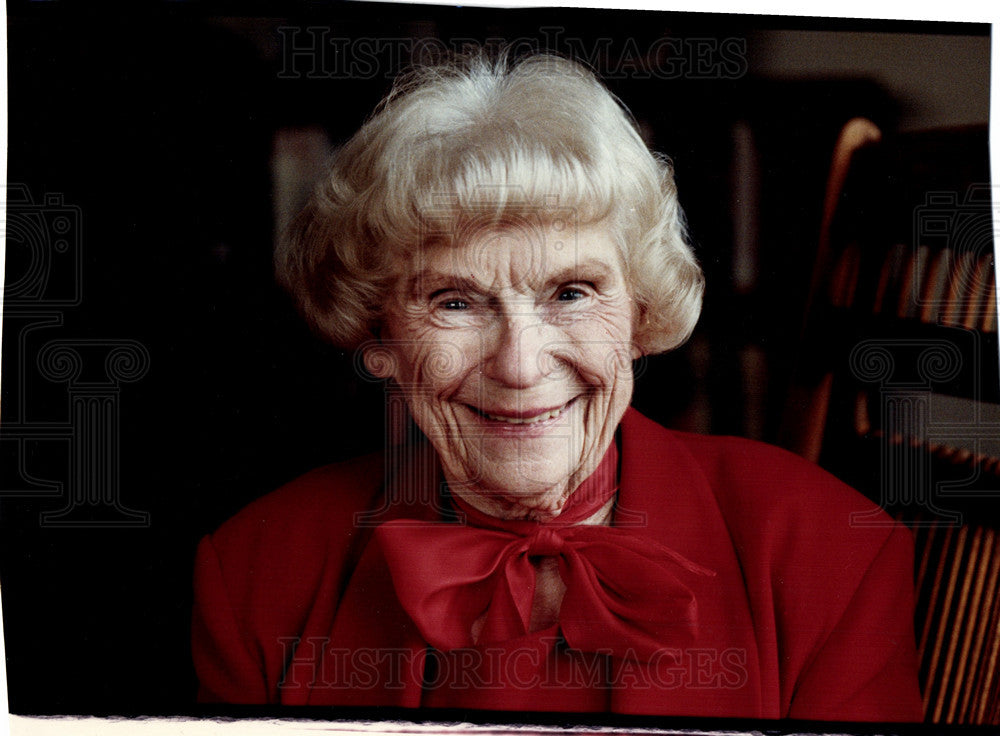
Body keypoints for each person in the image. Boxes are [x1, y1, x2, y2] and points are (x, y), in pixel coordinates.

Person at [191, 51, 923, 720]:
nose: (520, 364)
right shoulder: (256, 574)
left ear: (640, 314)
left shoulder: (831, 555)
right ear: (380, 339)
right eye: (455, 301)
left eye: (571, 292)